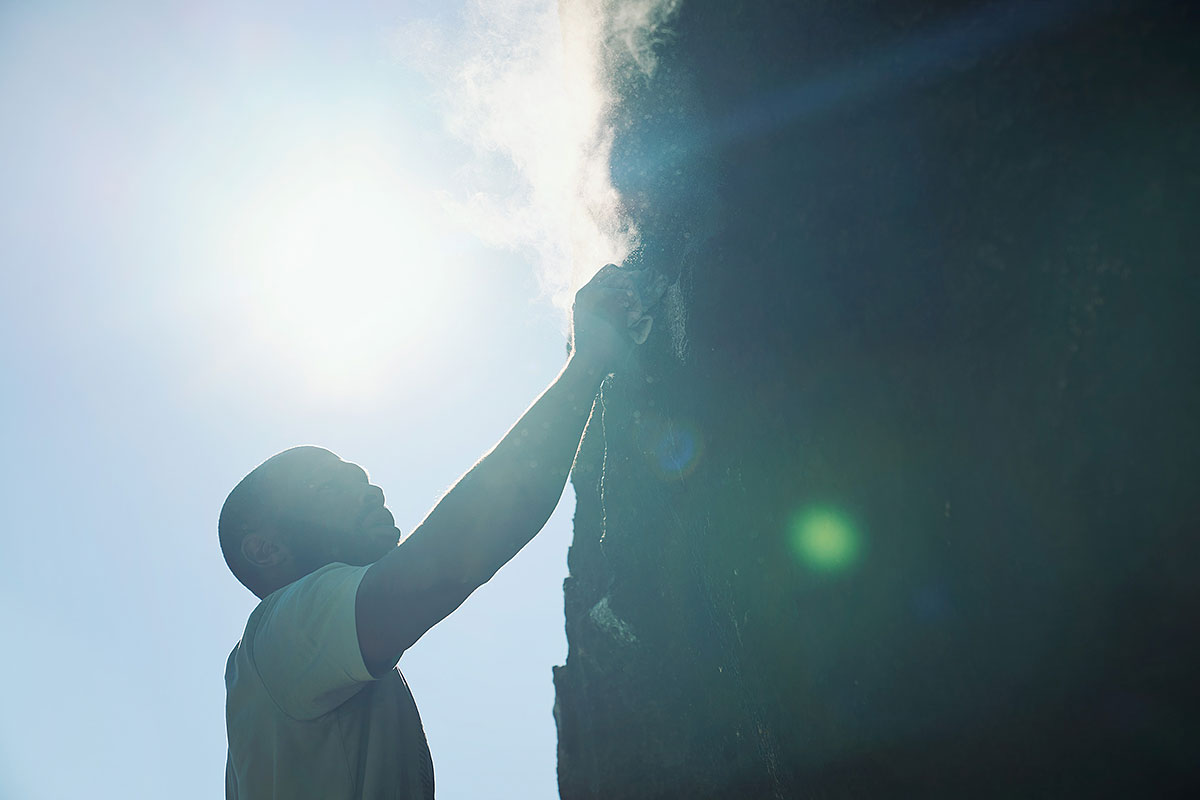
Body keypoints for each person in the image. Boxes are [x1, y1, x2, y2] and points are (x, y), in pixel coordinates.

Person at [220, 264, 650, 799]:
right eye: (327, 487)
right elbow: (453, 555)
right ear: (266, 549)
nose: (366, 485)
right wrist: (588, 362)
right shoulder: (277, 636)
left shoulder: (320, 674)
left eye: (358, 474)